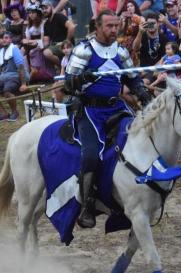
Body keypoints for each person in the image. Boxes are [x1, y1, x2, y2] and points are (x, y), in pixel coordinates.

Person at [64, 9, 152, 229]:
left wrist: (141, 91)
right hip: (90, 111)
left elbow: (132, 78)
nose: (114, 30)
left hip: (116, 108)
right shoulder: (84, 50)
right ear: (98, 26)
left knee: (140, 139)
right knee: (92, 154)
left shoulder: (121, 52)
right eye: (109, 26)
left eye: (116, 25)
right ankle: (87, 204)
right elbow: (68, 84)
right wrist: (81, 78)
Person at [0, 31, 28, 123]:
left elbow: (20, 66)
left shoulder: (14, 49)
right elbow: (0, 68)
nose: (4, 40)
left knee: (7, 90)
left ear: (10, 40)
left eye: (6, 38)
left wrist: (23, 83)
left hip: (15, 77)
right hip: (3, 78)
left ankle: (14, 112)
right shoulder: (1, 51)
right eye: (2, 38)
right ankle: (3, 113)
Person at [133, 12, 167, 83]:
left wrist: (148, 70)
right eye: (149, 24)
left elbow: (164, 58)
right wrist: (140, 32)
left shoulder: (163, 38)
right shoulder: (142, 35)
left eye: (153, 23)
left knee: (142, 83)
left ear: (158, 24)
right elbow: (135, 48)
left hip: (155, 70)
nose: (151, 26)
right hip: (141, 69)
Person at [41, 0, 76, 66]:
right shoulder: (46, 24)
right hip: (55, 45)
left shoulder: (59, 16)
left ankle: (64, 66)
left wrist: (67, 40)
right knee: (42, 51)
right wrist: (41, 46)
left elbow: (71, 27)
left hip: (65, 44)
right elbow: (46, 41)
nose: (44, 11)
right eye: (42, 9)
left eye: (46, 8)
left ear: (52, 7)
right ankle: (63, 66)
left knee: (47, 53)